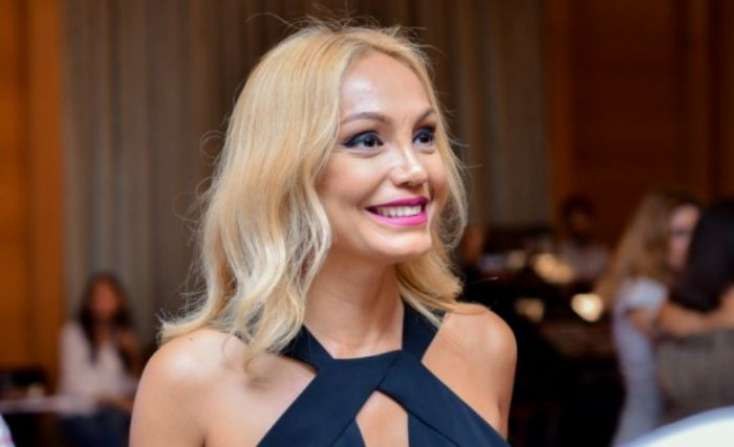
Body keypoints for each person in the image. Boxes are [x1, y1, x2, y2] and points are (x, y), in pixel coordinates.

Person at [131, 23, 516, 446]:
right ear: (283, 170)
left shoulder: (483, 344)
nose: (414, 169)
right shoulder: (191, 379)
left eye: (424, 136)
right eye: (367, 140)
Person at [595, 191, 701, 444]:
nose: (693, 243)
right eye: (680, 233)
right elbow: (690, 331)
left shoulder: (669, 287)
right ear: (655, 240)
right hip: (648, 433)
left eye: (699, 233)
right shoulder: (641, 292)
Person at [656, 200, 734, 423]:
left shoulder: (676, 311)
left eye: (693, 233)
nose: (689, 243)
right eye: (680, 233)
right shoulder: (669, 308)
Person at [58, 272, 141, 447]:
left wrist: (133, 355)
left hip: (113, 412)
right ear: (89, 301)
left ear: (120, 301)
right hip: (79, 411)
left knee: (126, 423)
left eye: (109, 297)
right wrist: (115, 401)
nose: (103, 303)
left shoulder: (122, 336)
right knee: (108, 430)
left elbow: (130, 386)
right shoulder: (73, 333)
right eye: (99, 297)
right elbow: (76, 384)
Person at [557, 195, 609, 284]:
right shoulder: (560, 252)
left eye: (583, 222)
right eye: (576, 223)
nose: (580, 228)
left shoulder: (602, 254)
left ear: (592, 222)